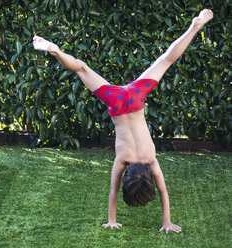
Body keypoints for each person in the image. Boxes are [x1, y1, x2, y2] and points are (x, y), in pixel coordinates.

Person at [33, 9, 213, 233]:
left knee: (166, 60)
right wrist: (114, 219)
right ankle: (57, 52)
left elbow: (163, 191)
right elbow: (113, 191)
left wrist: (165, 220)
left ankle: (194, 27)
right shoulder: (122, 160)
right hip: (116, 102)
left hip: (135, 98)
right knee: (82, 68)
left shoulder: (151, 159)